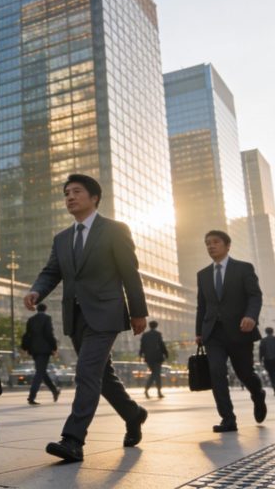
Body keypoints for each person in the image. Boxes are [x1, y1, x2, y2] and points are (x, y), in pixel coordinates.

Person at [24, 174, 150, 463]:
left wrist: (138, 311)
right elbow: (51, 272)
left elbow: (130, 272)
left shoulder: (115, 230)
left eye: (76, 191)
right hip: (76, 316)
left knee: (86, 373)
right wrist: (36, 291)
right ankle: (134, 414)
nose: (69, 197)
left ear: (94, 197)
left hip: (106, 313)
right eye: (66, 192)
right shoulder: (62, 238)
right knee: (102, 377)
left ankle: (73, 440)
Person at [195, 230, 267, 433]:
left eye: (215, 242)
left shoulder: (243, 269)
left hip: (239, 330)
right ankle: (228, 418)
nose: (211, 246)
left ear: (227, 245)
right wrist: (199, 331)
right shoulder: (203, 275)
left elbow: (255, 296)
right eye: (207, 243)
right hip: (213, 333)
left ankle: (257, 393)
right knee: (216, 372)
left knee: (244, 373)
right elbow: (202, 305)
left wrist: (251, 316)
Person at [22, 302, 60, 405]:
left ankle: (54, 390)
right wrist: (54, 347)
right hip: (44, 350)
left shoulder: (31, 319)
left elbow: (27, 334)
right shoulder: (47, 318)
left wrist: (25, 348)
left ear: (37, 309)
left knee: (41, 371)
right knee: (40, 372)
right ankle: (31, 397)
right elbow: (49, 333)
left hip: (34, 350)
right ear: (45, 309)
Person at [139, 320, 169, 399]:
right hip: (157, 357)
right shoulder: (158, 334)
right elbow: (162, 345)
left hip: (148, 358)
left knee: (154, 374)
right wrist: (166, 353)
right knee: (156, 374)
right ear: (156, 326)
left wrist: (141, 354)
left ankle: (148, 390)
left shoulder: (145, 335)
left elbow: (142, 346)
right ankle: (156, 391)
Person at [258, 327, 275, 396]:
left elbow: (261, 351)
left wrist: (260, 359)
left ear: (266, 332)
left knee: (272, 374)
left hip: (268, 360)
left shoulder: (263, 341)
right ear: (272, 332)